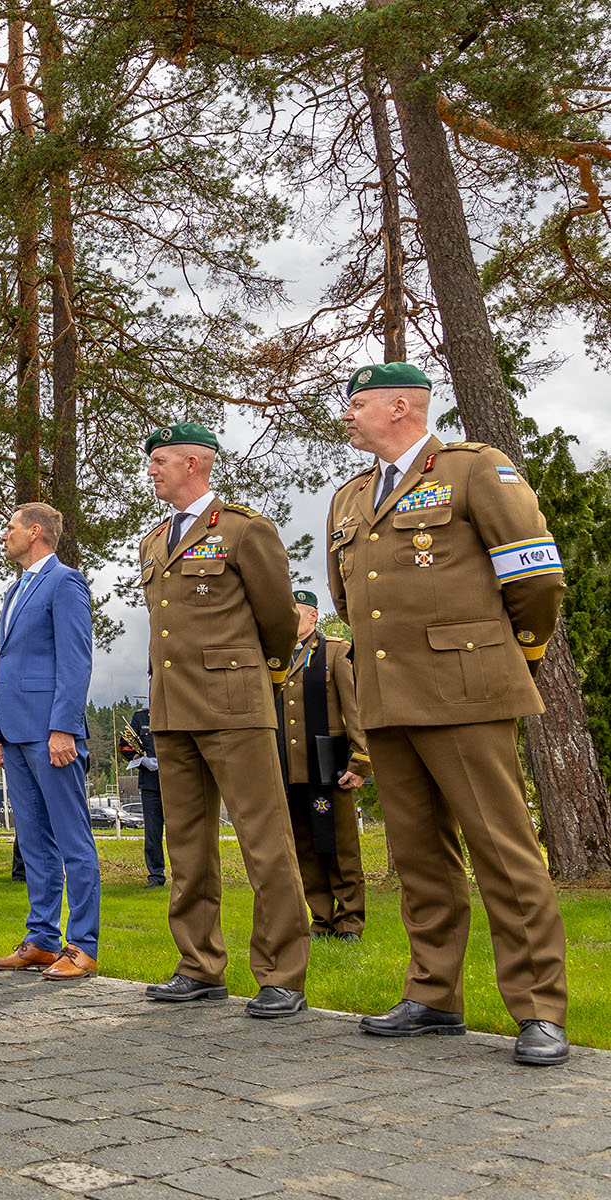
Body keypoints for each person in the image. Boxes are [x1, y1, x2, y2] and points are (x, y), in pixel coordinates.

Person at [329, 361, 570, 1066]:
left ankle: (538, 1009)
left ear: (402, 406)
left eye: (359, 403)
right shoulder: (349, 498)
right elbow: (352, 604)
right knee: (420, 857)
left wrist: (506, 660)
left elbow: (536, 579)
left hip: (467, 693)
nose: (348, 415)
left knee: (502, 849)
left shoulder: (473, 470)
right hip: (389, 699)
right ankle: (435, 995)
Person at [139, 421, 309, 1020]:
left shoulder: (243, 530)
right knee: (187, 847)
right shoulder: (155, 541)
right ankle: (199, 966)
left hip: (235, 706)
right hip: (172, 711)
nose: (152, 469)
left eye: (161, 460)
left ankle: (282, 974)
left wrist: (257, 677)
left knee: (265, 843)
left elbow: (279, 621)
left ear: (196, 463)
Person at [0, 502, 100, 980]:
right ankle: (42, 940)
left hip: (51, 732)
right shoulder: (14, 590)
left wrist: (63, 728)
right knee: (33, 842)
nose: (3, 536)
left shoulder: (65, 582)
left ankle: (84, 945)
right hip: (14, 732)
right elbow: (9, 666)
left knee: (73, 841)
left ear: (35, 533)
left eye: (9, 527)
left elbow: (76, 661)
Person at [279, 590, 371, 940]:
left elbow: (355, 708)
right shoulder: (279, 656)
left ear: (313, 616)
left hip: (328, 767)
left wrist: (360, 759)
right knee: (306, 847)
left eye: (295, 613)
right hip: (292, 770)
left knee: (338, 845)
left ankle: (349, 921)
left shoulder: (335, 651)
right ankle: (321, 919)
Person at [127, 706, 166, 889]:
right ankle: (156, 875)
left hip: (178, 784)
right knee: (152, 833)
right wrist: (141, 760)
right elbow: (125, 744)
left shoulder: (178, 710)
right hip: (151, 784)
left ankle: (183, 874)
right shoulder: (141, 717)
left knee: (181, 832)